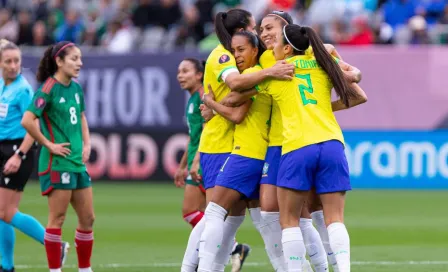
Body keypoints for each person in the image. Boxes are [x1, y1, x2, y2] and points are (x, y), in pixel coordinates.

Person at [181, 8, 294, 272]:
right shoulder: (232, 58)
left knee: (218, 216)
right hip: (234, 147)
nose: (258, 32)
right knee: (253, 219)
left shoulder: (258, 67)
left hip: (241, 150)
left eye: (242, 49)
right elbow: (236, 89)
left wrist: (211, 103)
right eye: (254, 27)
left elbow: (237, 101)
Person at [257, 24, 367, 272]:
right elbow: (359, 94)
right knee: (335, 219)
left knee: (289, 221)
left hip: (298, 146)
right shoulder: (322, 64)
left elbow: (238, 90)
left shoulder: (277, 73)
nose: (271, 47)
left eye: (275, 44)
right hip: (332, 144)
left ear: (286, 49)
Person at [198, 31, 270, 272]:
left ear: (255, 50)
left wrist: (211, 103)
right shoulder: (267, 69)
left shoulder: (250, 75)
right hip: (268, 154)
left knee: (214, 212)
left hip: (246, 154)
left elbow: (234, 106)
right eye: (233, 51)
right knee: (269, 223)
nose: (236, 56)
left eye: (241, 50)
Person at [21, 41, 95, 272]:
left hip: (76, 163)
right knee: (58, 218)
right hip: (57, 163)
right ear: (59, 61)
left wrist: (87, 143)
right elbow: (28, 119)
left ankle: (85, 269)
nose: (79, 63)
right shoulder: (48, 88)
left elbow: (81, 116)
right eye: (74, 59)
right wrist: (48, 145)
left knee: (88, 218)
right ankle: (55, 270)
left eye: (80, 58)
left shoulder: (76, 88)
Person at [0, 39, 68, 272]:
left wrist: (19, 154)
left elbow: (34, 123)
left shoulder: (22, 89)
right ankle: (6, 265)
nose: (12, 65)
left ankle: (56, 246)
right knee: (1, 213)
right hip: (4, 150)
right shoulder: (3, 84)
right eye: (8, 61)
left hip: (18, 150)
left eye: (16, 61)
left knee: (6, 211)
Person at [174, 58, 206, 228]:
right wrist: (181, 166)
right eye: (179, 72)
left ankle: (233, 246)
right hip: (197, 160)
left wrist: (195, 162)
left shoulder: (203, 97)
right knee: (204, 214)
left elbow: (208, 132)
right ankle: (222, 251)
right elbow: (193, 137)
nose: (180, 76)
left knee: (190, 212)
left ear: (199, 75)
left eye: (185, 71)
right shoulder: (193, 99)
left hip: (202, 161)